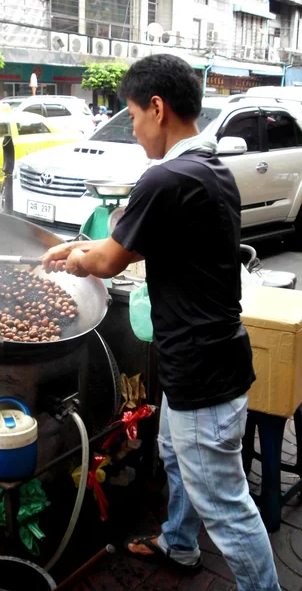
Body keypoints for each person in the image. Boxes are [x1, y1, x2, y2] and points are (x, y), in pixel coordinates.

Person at [41, 54, 280, 591]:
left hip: (200, 368)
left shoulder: (166, 177)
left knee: (226, 504)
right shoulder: (210, 168)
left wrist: (75, 258)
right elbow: (131, 243)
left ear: (157, 107)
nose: (133, 128)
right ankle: (178, 543)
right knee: (174, 453)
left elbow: (106, 263)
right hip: (209, 356)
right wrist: (79, 247)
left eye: (132, 115)